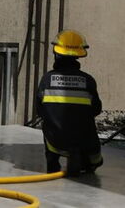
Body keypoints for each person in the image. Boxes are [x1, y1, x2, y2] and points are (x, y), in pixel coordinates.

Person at [35, 30, 103, 176]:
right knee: (94, 156)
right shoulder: (88, 80)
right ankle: (90, 162)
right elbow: (97, 109)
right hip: (84, 141)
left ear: (56, 53)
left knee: (46, 124)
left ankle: (52, 164)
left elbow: (40, 110)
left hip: (55, 141)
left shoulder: (47, 79)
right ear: (79, 55)